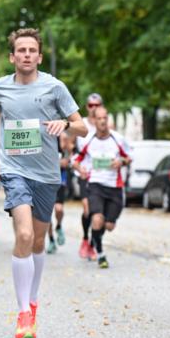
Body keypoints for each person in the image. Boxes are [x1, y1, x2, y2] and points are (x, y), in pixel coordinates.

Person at [0, 28, 87, 338]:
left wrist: (66, 125)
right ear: (12, 56)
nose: (26, 55)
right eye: (21, 50)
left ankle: (32, 300)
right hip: (14, 170)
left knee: (39, 241)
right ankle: (23, 314)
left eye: (32, 50)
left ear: (39, 57)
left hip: (46, 174)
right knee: (25, 234)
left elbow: (83, 127)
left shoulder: (54, 87)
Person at [72, 106, 130, 268]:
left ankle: (95, 239)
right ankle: (100, 254)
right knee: (97, 219)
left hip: (115, 187)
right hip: (95, 185)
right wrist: (80, 169)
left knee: (109, 225)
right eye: (100, 118)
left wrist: (122, 162)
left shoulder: (118, 139)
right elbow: (76, 160)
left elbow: (129, 157)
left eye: (105, 118)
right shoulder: (88, 140)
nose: (103, 121)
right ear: (94, 121)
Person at [75, 92, 103, 259]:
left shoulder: (105, 125)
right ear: (87, 107)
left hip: (101, 174)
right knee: (87, 209)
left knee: (98, 212)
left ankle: (92, 243)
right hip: (84, 173)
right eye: (91, 106)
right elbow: (71, 148)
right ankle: (85, 238)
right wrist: (77, 167)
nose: (94, 109)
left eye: (97, 105)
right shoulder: (82, 124)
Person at [46, 132, 73, 254]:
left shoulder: (64, 139)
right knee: (46, 215)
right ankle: (51, 240)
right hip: (45, 179)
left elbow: (69, 157)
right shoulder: (43, 137)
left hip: (60, 179)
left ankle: (59, 226)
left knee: (59, 209)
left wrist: (66, 160)